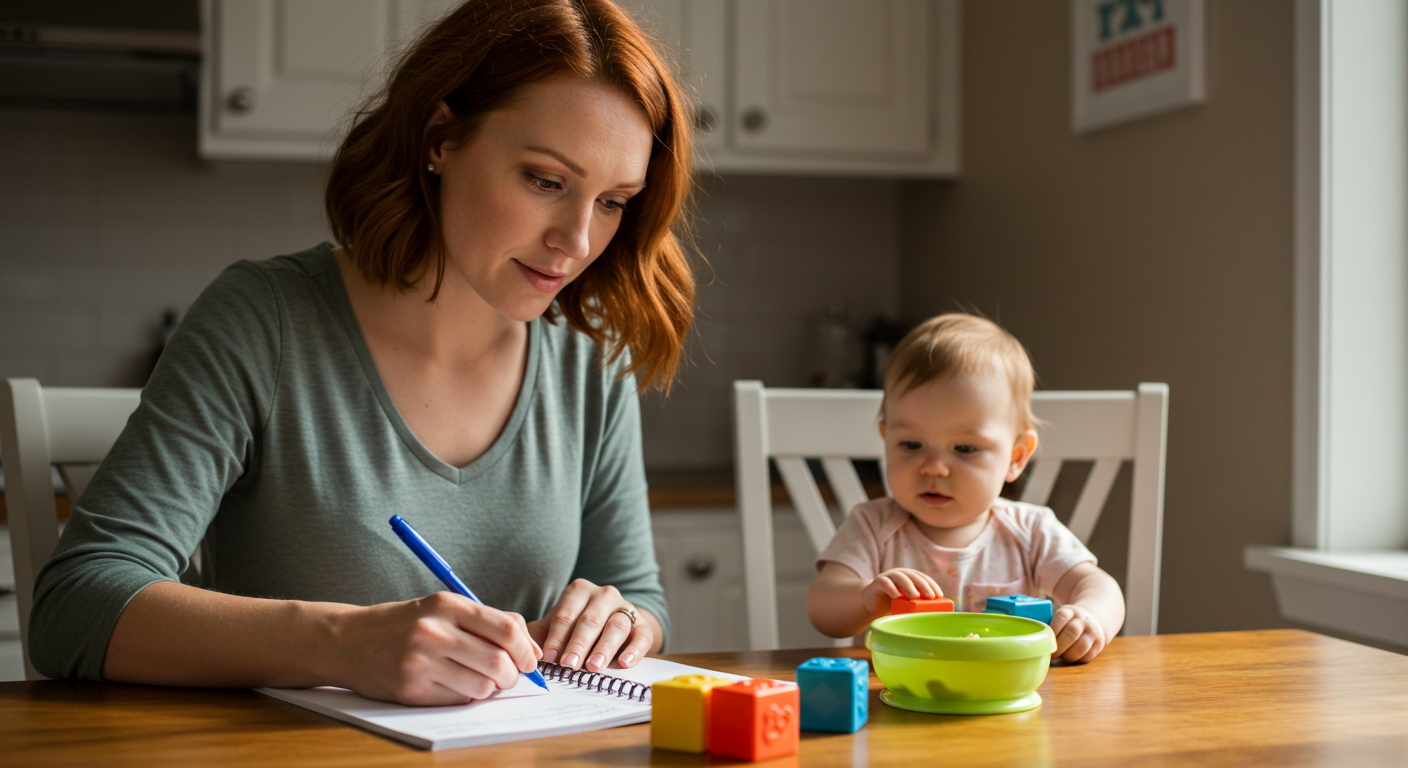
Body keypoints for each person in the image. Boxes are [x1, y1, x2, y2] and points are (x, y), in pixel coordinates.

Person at [29, 0, 696, 705]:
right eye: (545, 181)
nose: (579, 241)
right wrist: (344, 645)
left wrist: (622, 622)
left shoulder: (591, 364)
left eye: (615, 201)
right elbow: (76, 604)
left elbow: (643, 599)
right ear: (440, 137)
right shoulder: (265, 319)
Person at [807, 314, 1125, 663]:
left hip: (1009, 694)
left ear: (1016, 457)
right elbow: (822, 605)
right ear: (886, 440)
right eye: (911, 445)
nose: (933, 467)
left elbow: (1099, 587)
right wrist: (864, 597)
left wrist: (1090, 618)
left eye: (964, 448)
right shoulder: (872, 526)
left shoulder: (1032, 531)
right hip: (900, 696)